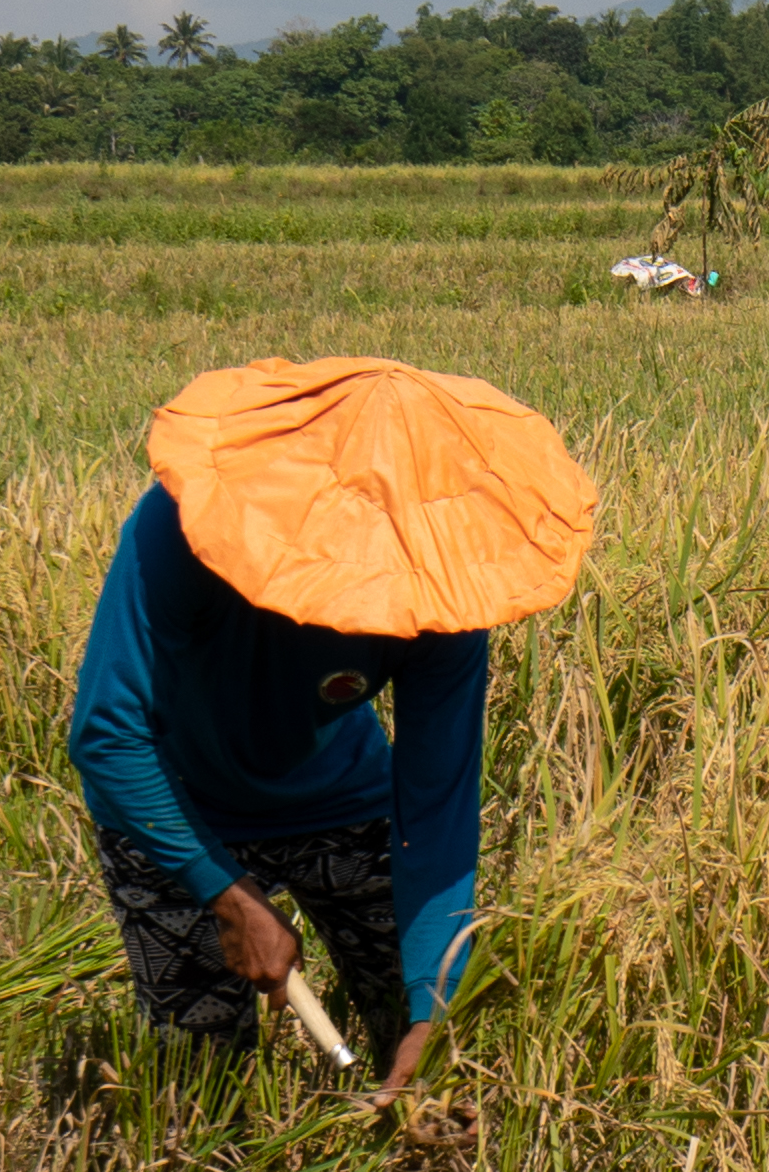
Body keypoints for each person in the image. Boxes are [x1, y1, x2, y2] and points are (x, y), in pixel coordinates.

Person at [65, 356, 597, 1091]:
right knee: (197, 1082)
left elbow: (436, 808)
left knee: (428, 1048)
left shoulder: (446, 588)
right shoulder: (185, 521)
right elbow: (107, 734)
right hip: (174, 803)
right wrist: (223, 890)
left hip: (338, 799)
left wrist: (432, 1014)